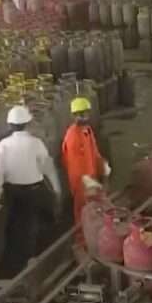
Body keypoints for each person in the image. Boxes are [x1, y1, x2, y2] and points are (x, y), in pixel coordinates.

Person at [0, 105, 62, 275]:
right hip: (35, 191)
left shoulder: (3, 145)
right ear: (28, 123)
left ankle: (18, 267)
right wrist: (56, 189)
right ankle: (43, 262)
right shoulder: (36, 143)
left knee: (16, 229)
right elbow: (48, 168)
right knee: (40, 225)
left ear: (10, 125)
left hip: (13, 193)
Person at [61, 97, 111, 243]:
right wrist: (87, 181)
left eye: (86, 113)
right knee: (83, 211)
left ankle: (96, 236)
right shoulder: (73, 136)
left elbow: (94, 152)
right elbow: (74, 164)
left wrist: (103, 166)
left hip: (91, 176)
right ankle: (82, 240)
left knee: (95, 208)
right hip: (81, 182)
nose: (84, 117)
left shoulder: (87, 130)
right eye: (80, 114)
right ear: (74, 116)